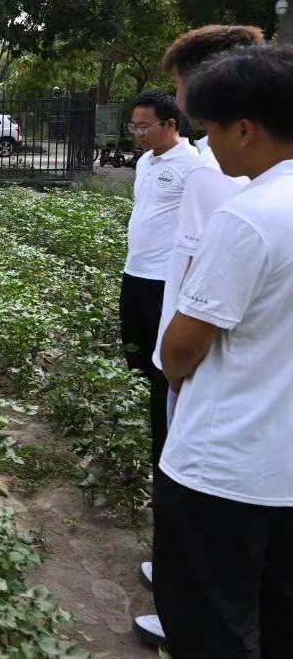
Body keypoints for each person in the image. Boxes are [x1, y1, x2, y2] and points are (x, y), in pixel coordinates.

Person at [156, 43, 293, 657]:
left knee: (209, 624)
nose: (206, 146)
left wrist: (175, 375)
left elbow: (184, 345)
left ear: (246, 128)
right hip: (283, 469)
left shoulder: (251, 216)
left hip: (225, 465)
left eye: (210, 130)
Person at [132, 25, 264, 648]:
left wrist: (175, 366)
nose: (183, 105)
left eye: (185, 92)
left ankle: (186, 601)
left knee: (198, 501)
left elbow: (204, 310)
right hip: (202, 356)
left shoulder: (230, 181)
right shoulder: (239, 171)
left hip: (210, 377)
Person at [121, 89, 196, 468]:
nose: (138, 134)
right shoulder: (146, 163)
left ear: (170, 124)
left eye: (145, 126)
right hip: (134, 273)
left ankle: (166, 450)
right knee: (135, 356)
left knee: (162, 368)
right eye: (134, 126)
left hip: (163, 281)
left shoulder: (193, 165)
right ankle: (145, 430)